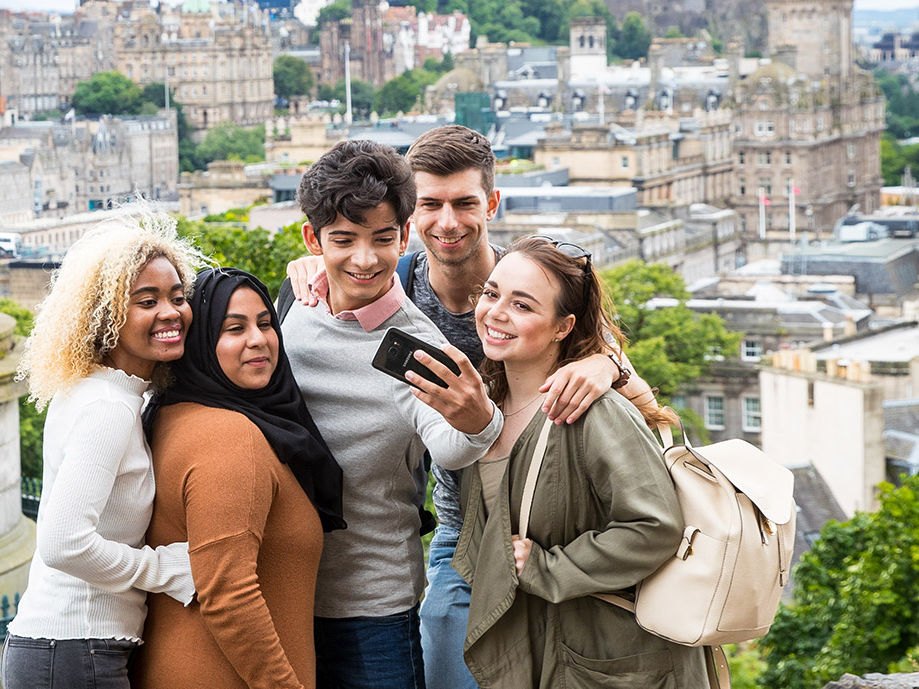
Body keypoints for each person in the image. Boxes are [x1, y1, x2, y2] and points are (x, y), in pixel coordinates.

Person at [283, 125, 660, 689]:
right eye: (431, 204)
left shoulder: (534, 280)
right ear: (413, 220)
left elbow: (641, 403)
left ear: (493, 203)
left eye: (465, 203)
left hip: (552, 523)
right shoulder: (396, 283)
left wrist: (607, 364)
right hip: (464, 530)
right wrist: (316, 269)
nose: (449, 222)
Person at [278, 139, 502, 689]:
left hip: (372, 608)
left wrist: (479, 420)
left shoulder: (411, 343)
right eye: (343, 240)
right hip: (282, 593)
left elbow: (448, 444)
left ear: (403, 237)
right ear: (313, 240)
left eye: (383, 239)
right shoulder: (288, 308)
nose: (365, 259)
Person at [454, 236, 709, 688]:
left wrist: (547, 567)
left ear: (562, 326)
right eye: (492, 293)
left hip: (613, 660)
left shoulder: (595, 412)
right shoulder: (487, 404)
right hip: (546, 647)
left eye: (523, 306)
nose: (495, 312)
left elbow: (655, 527)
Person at [4, 211, 208, 689]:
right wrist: (162, 569)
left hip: (66, 649)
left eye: (178, 297)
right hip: (75, 650)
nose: (171, 312)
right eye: (146, 300)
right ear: (106, 314)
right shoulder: (108, 409)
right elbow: (62, 544)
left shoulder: (109, 394)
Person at [136, 267, 346, 689]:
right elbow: (228, 593)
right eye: (234, 328)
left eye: (265, 323)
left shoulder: (173, 414)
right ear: (200, 341)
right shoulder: (231, 438)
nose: (258, 339)